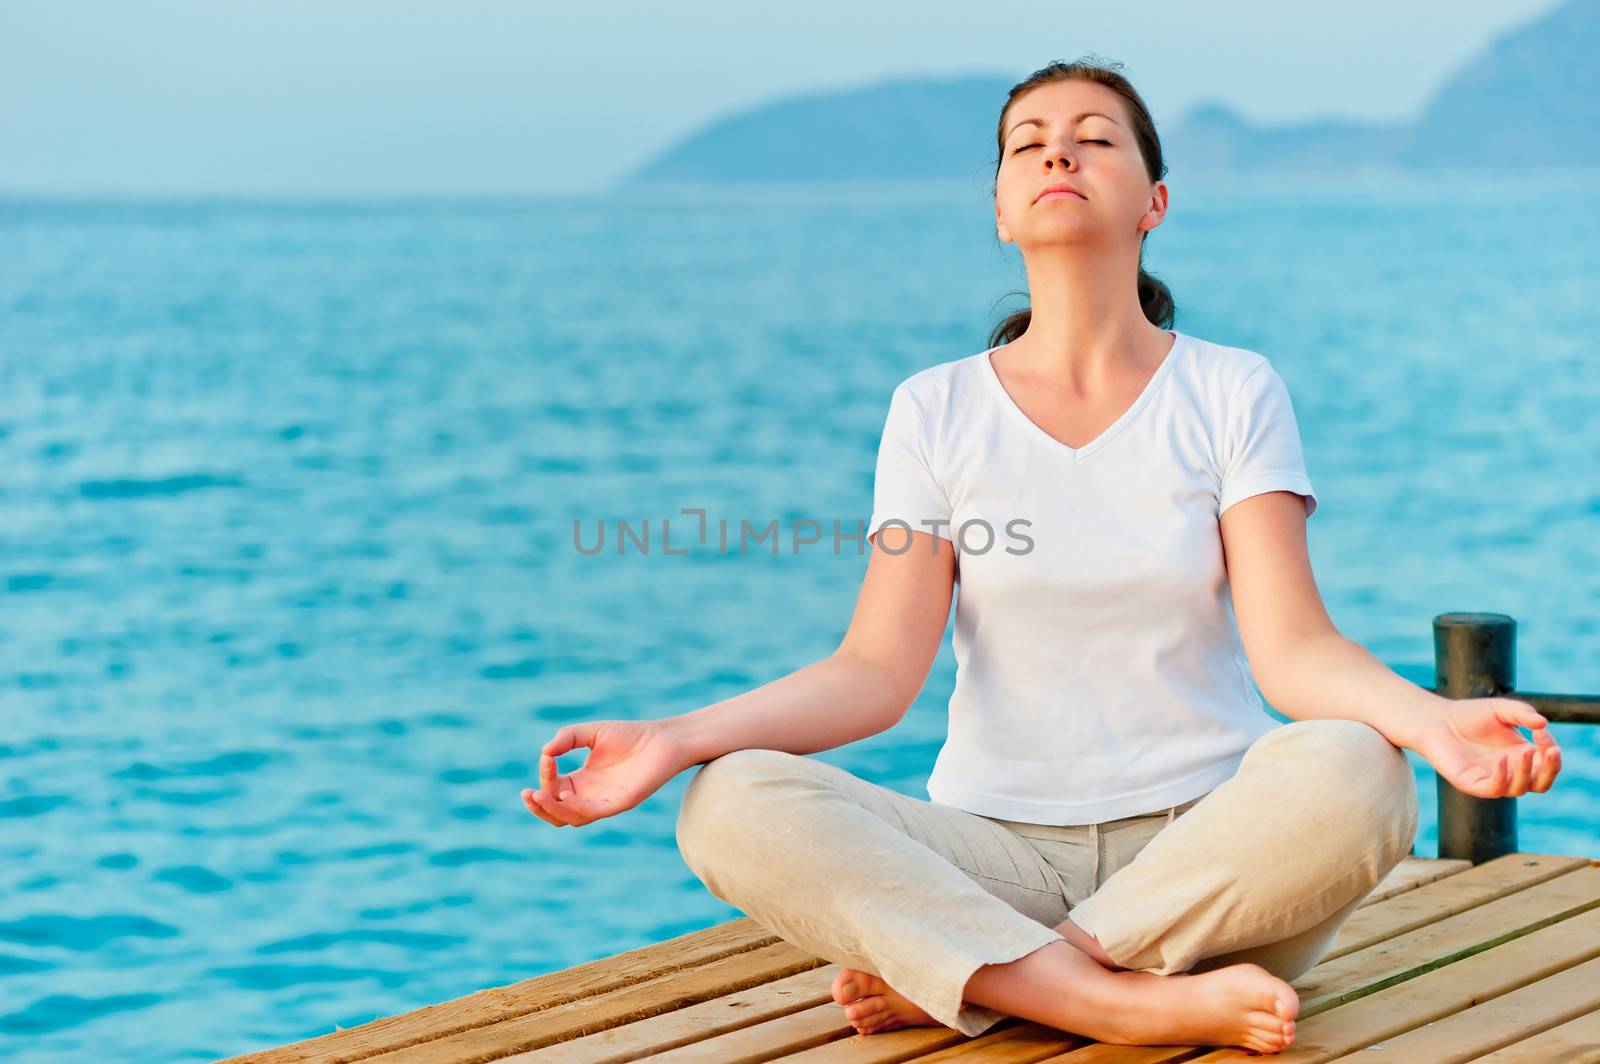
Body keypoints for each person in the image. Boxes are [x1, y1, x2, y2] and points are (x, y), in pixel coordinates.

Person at [521, 57, 1564, 1056]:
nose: (1057, 156)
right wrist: (671, 738)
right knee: (730, 796)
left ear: (1153, 200)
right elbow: (874, 672)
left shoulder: (1230, 390)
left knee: (1360, 765)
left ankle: (1002, 980)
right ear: (1000, 209)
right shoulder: (933, 409)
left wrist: (1430, 723)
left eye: (1092, 139)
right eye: (1029, 144)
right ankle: (1121, 1005)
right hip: (994, 859)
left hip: (1209, 864)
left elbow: (1293, 653)